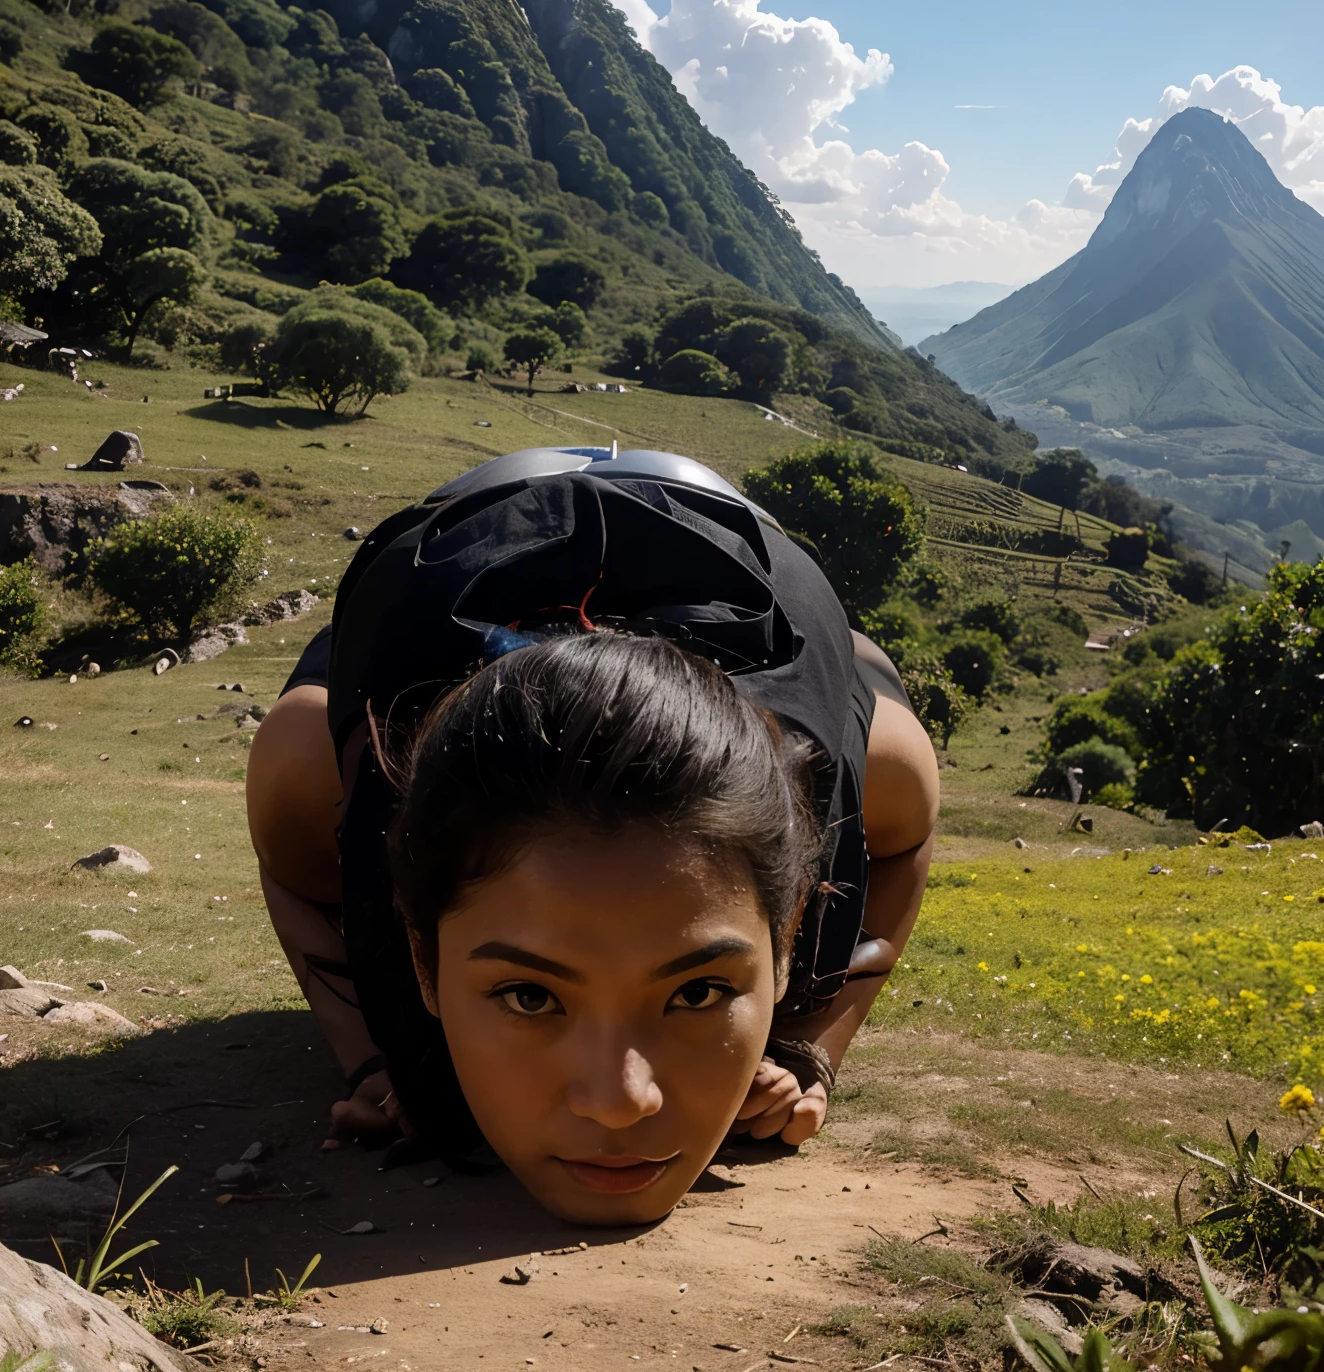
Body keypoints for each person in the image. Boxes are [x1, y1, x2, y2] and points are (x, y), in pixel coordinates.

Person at [246, 447, 938, 1224]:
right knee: (308, 740)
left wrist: (813, 1043)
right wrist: (369, 1056)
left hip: (738, 557)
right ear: (421, 957)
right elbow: (294, 877)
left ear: (789, 936)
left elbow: (908, 842)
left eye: (699, 991)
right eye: (531, 994)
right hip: (451, 554)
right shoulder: (318, 761)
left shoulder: (867, 762)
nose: (620, 1105)